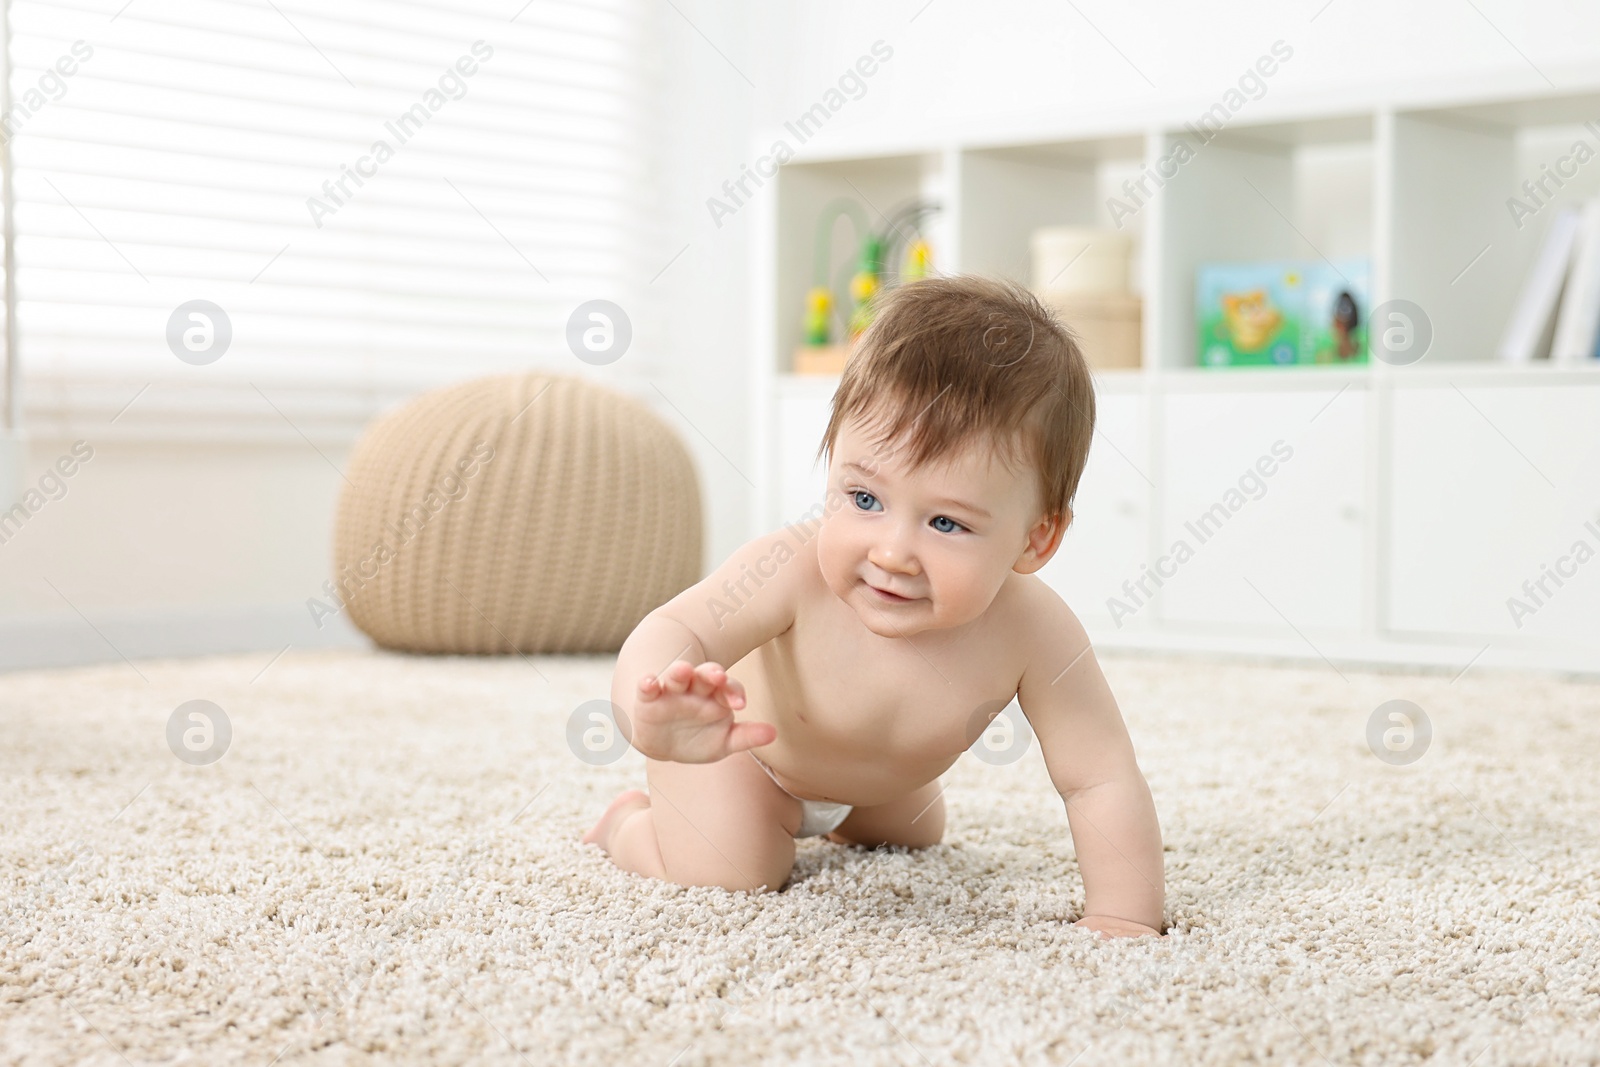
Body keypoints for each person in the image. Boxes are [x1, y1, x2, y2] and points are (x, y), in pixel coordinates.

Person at [583, 274, 1165, 938]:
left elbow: (1100, 776)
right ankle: (629, 825)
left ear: (1036, 538)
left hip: (879, 788)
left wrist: (1124, 913)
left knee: (914, 835)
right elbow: (676, 625)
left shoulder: (1037, 629)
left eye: (945, 523)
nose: (891, 552)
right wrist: (651, 705)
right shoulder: (790, 568)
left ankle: (848, 810)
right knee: (736, 868)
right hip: (733, 752)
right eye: (864, 499)